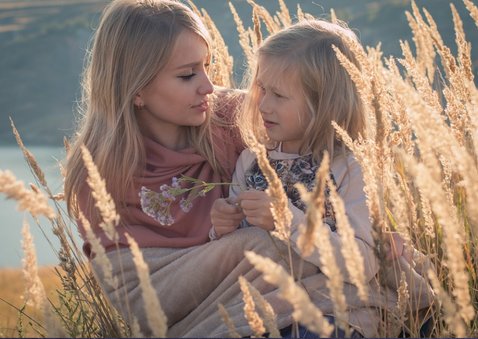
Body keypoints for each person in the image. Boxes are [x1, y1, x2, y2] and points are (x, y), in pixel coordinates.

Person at [210, 19, 435, 338]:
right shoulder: (252, 162)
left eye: (279, 95)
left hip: (332, 308)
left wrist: (286, 219)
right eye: (261, 89)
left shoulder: (349, 169)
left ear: (323, 105)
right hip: (268, 305)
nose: (263, 103)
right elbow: (234, 257)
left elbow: (362, 264)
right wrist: (220, 228)